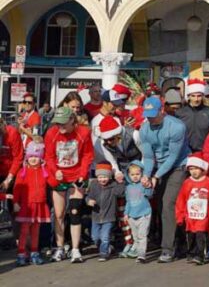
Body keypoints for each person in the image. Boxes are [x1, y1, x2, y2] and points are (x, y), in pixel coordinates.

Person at [138, 95, 189, 263]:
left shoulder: (176, 127)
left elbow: (173, 157)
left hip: (177, 166)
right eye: (147, 115)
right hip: (158, 167)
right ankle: (181, 242)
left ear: (162, 110)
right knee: (162, 207)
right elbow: (148, 156)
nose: (150, 118)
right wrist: (146, 174)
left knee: (168, 204)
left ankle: (167, 249)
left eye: (153, 114)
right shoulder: (145, 129)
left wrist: (156, 176)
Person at [44, 104, 94, 263]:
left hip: (76, 176)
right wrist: (54, 170)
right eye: (58, 123)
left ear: (72, 120)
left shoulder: (84, 132)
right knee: (58, 214)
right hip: (58, 176)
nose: (60, 127)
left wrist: (82, 174)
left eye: (63, 123)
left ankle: (75, 249)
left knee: (74, 211)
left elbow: (88, 155)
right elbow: (49, 156)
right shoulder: (52, 133)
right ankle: (59, 247)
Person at [12, 139, 47, 267]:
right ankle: (21, 253)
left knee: (36, 231)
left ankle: (34, 252)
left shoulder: (44, 171)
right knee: (24, 231)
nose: (33, 159)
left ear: (41, 158)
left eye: (36, 157)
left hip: (39, 205)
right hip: (27, 206)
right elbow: (17, 188)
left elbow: (53, 182)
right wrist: (16, 202)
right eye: (31, 156)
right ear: (27, 157)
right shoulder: (22, 172)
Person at [176, 155, 209, 264]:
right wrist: (180, 216)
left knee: (201, 234)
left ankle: (202, 255)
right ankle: (191, 253)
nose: (193, 171)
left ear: (202, 169)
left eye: (196, 168)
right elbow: (181, 200)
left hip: (204, 215)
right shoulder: (187, 182)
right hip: (190, 216)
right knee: (190, 235)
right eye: (191, 169)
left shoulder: (208, 182)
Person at [85, 162, 125, 261]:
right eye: (100, 177)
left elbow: (120, 193)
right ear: (97, 177)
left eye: (105, 177)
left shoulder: (113, 185)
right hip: (96, 216)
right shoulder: (94, 184)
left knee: (105, 236)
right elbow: (88, 196)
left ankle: (103, 253)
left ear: (109, 176)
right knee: (95, 237)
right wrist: (88, 201)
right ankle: (107, 248)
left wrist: (120, 182)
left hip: (109, 217)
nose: (102, 179)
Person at [123, 161, 154, 263]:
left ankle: (142, 255)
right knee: (135, 236)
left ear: (142, 174)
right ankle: (137, 250)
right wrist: (126, 213)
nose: (135, 176)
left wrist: (148, 186)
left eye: (137, 174)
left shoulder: (143, 184)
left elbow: (150, 194)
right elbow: (128, 201)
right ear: (128, 175)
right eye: (132, 174)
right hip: (132, 215)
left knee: (142, 235)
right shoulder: (128, 187)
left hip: (144, 214)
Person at [178, 79, 209, 153]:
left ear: (203, 96)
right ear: (189, 96)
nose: (196, 99)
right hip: (184, 151)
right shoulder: (180, 112)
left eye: (199, 96)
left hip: (204, 151)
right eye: (193, 96)